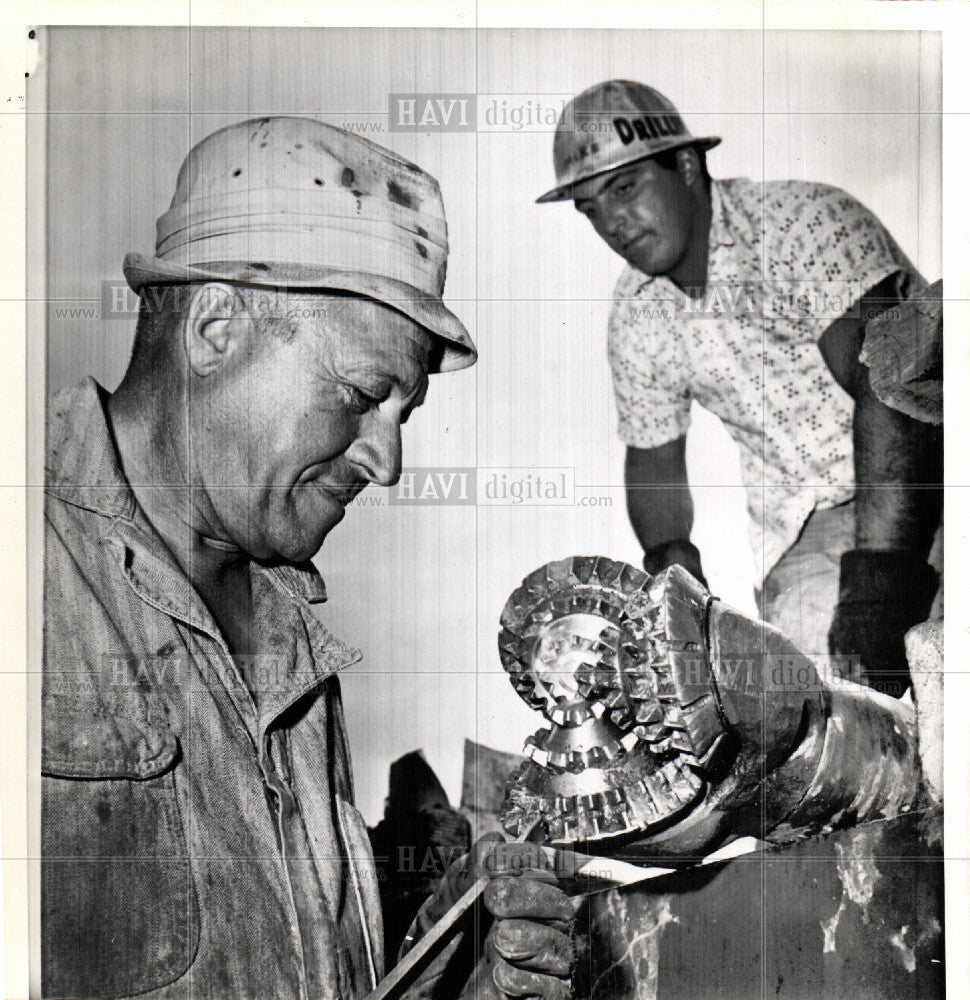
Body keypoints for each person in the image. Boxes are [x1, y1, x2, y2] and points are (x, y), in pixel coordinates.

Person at [43, 117, 574, 1000]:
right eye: (364, 395)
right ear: (217, 327)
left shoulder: (295, 651)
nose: (386, 460)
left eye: (405, 412)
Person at [537, 80, 942, 694]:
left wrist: (879, 596)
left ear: (687, 164)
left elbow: (890, 391)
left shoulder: (803, 223)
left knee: (936, 669)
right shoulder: (637, 312)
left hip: (928, 474)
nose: (613, 222)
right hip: (799, 529)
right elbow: (655, 462)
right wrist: (681, 610)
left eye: (625, 187)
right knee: (815, 716)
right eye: (590, 207)